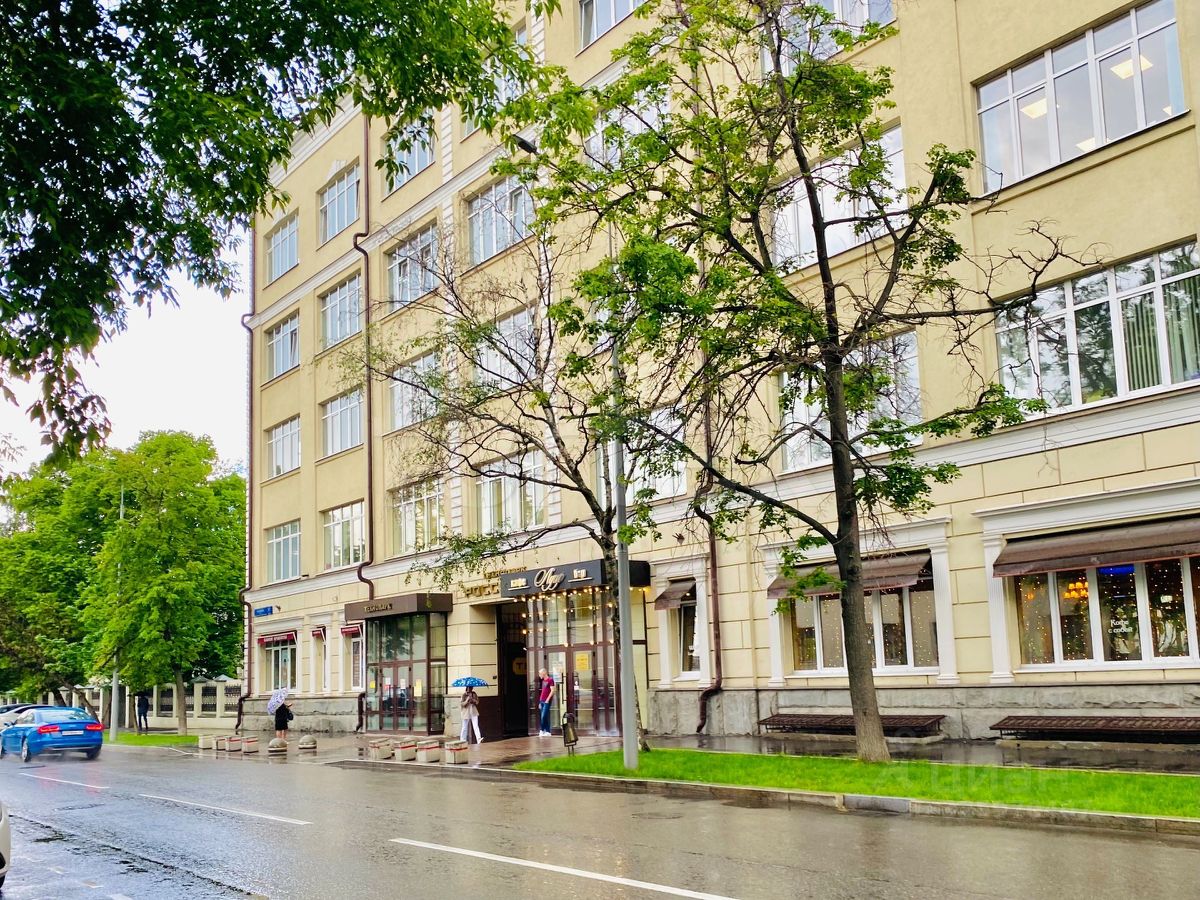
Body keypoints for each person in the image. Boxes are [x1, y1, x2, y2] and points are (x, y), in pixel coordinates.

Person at [537, 668, 555, 737]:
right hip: (541, 700)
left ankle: (541, 730)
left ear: (544, 673)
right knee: (545, 717)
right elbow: (543, 692)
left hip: (546, 701)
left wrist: (547, 700)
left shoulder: (550, 680)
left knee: (543, 716)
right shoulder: (543, 681)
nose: (539, 675)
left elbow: (552, 691)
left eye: (540, 674)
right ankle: (548, 732)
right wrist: (539, 702)